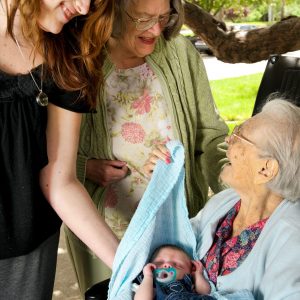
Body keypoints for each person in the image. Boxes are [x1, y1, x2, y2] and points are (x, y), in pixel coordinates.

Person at [64, 0, 229, 294]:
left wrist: (237, 197)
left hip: (180, 233)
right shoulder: (78, 58)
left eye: (164, 18)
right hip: (106, 233)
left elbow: (211, 136)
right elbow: (44, 150)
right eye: (142, 19)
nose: (155, 30)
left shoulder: (179, 53)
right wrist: (84, 167)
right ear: (112, 11)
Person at [0, 1, 119, 299]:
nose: (83, 7)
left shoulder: (69, 50)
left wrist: (129, 265)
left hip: (30, 257)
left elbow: (59, 179)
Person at [189, 99, 300, 299]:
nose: (227, 141)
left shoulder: (292, 241)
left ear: (265, 169)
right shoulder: (226, 201)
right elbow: (176, 241)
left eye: (239, 136)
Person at [134, 244, 214, 300]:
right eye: (160, 263)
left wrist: (198, 274)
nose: (167, 265)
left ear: (189, 272)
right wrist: (148, 276)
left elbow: (205, 292)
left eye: (177, 265)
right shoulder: (151, 285)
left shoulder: (189, 282)